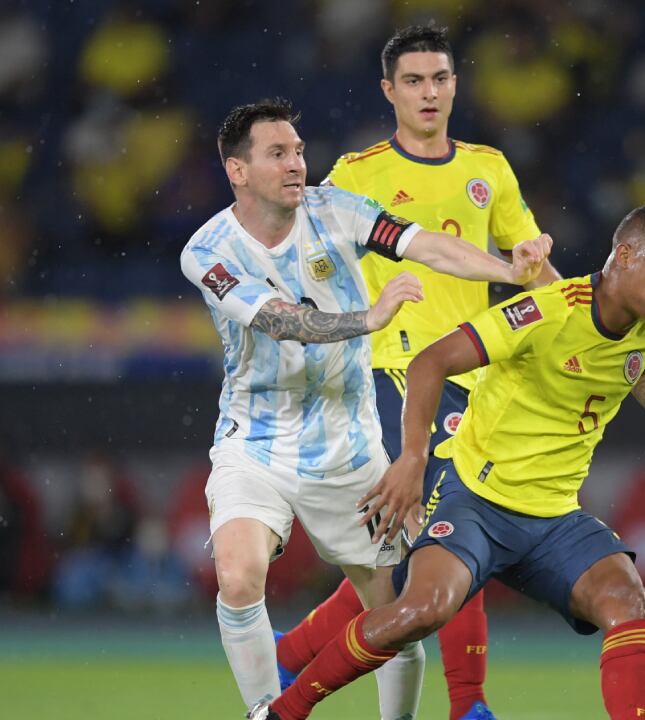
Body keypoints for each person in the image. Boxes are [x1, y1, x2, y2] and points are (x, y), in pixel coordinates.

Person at [248, 205, 645, 720]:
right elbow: (433, 361)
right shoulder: (549, 312)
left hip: (554, 516)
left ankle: (311, 658)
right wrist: (412, 458)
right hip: (476, 501)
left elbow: (643, 367)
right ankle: (282, 712)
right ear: (625, 256)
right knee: (419, 611)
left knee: (629, 603)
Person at [179, 97, 549, 715]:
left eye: (298, 150)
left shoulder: (338, 210)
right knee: (238, 575)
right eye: (277, 153)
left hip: (349, 450)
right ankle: (267, 711)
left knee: (396, 618)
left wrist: (508, 269)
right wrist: (368, 319)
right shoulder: (208, 251)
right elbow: (277, 320)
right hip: (255, 441)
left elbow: (425, 244)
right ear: (237, 171)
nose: (296, 163)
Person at [271, 25, 560, 720]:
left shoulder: (490, 167)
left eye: (439, 78)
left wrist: (581, 305)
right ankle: (470, 705)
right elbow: (303, 257)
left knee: (408, 557)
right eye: (413, 81)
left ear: (455, 85)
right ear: (389, 91)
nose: (428, 92)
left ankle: (291, 653)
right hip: (393, 376)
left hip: (478, 375)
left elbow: (529, 267)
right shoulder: (356, 173)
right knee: (458, 530)